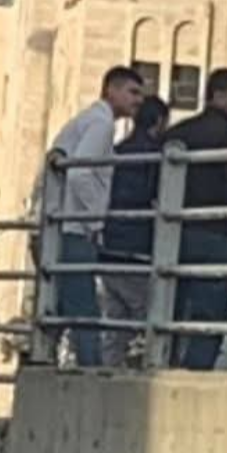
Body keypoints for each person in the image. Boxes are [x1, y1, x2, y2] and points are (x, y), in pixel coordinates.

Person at [43, 66, 147, 368]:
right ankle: (91, 371)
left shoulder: (84, 121)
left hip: (59, 223)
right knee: (84, 308)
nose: (138, 100)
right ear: (110, 90)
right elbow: (79, 173)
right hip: (75, 228)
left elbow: (63, 162)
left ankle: (40, 356)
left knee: (61, 303)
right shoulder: (101, 125)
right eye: (132, 92)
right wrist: (94, 219)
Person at [160, 69, 227, 370]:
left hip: (174, 231)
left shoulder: (177, 133)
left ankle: (163, 363)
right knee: (209, 313)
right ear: (218, 95)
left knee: (169, 306)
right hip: (215, 231)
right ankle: (197, 370)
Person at [98, 96, 172, 364]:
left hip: (110, 246)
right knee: (148, 315)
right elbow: (159, 195)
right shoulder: (157, 156)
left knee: (115, 320)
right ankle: (151, 367)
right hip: (138, 249)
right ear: (159, 122)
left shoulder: (117, 152)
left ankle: (107, 372)